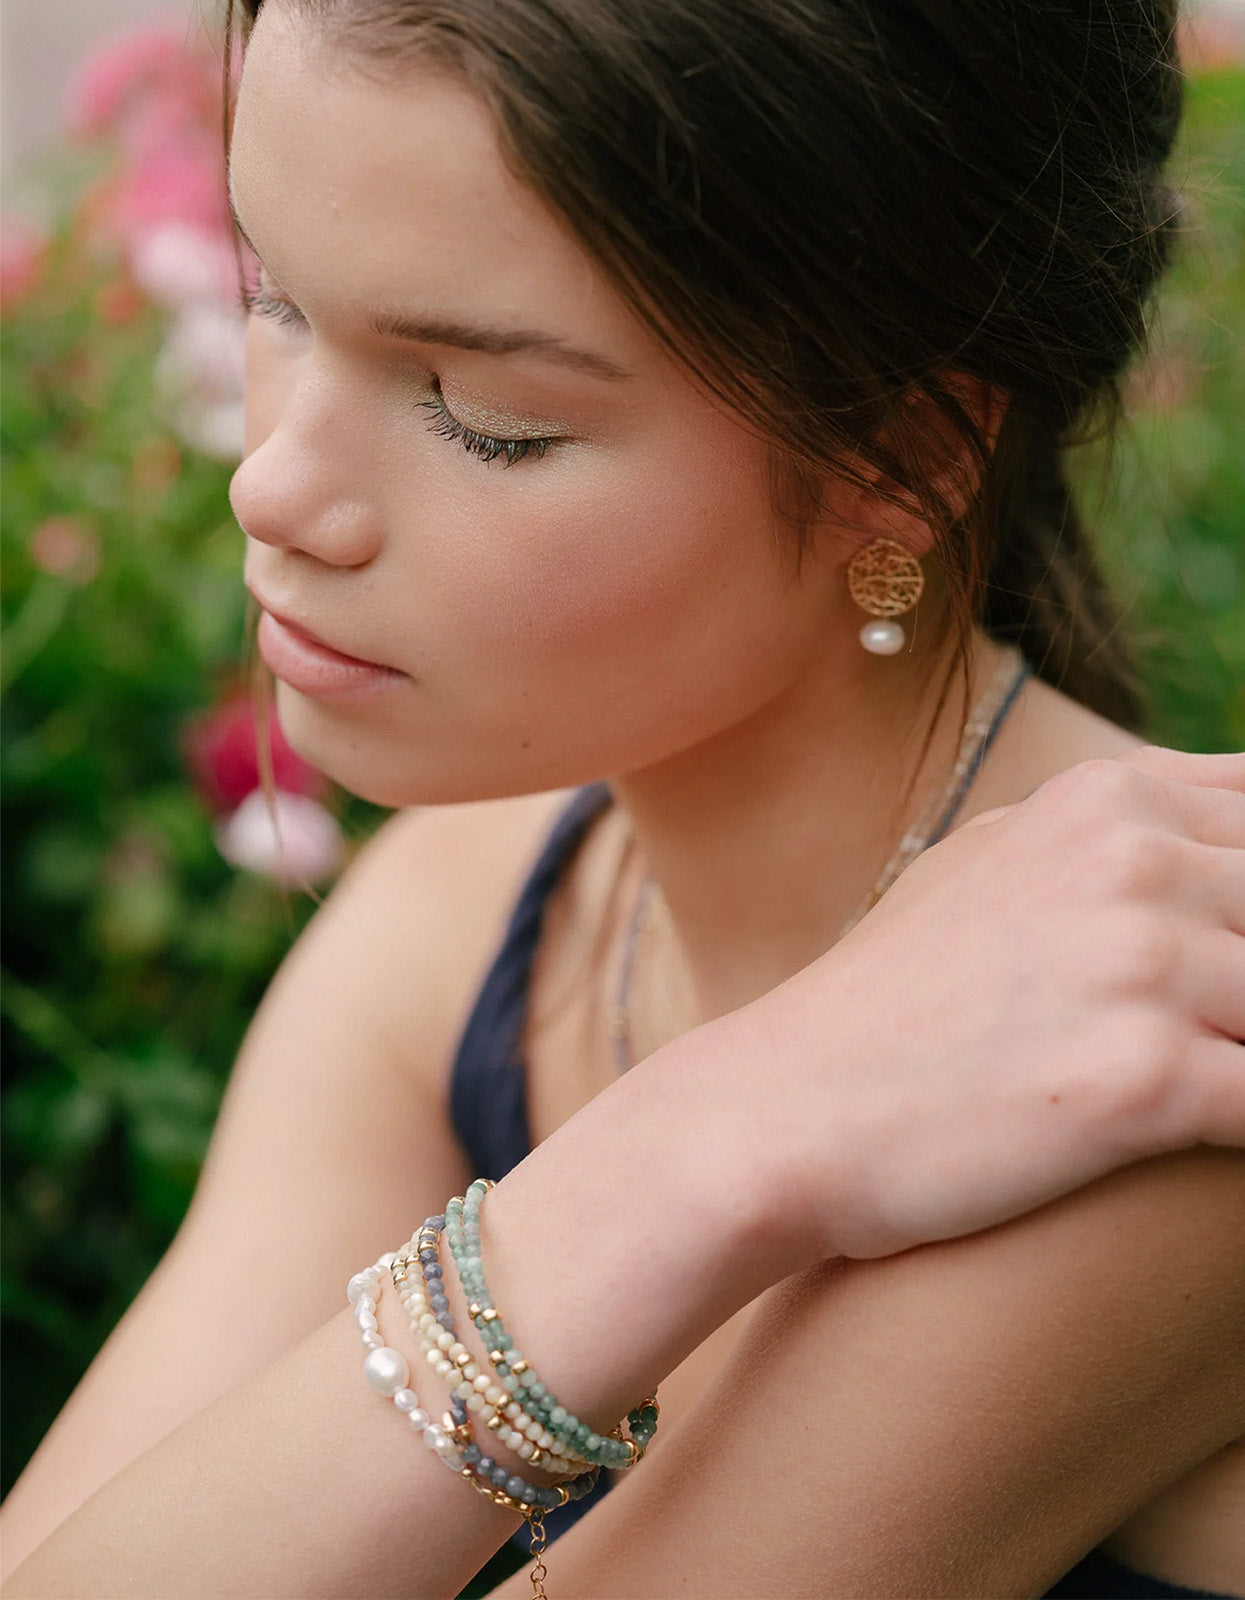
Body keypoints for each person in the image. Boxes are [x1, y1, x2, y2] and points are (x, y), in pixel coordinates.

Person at [2, 0, 1243, 1595]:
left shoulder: (1153, 1049)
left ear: (905, 459)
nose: (275, 486)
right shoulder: (485, 908)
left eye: (484, 418)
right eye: (277, 300)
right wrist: (704, 1142)